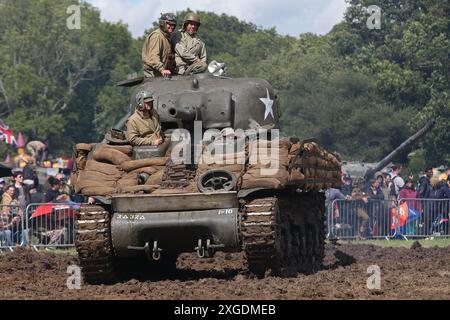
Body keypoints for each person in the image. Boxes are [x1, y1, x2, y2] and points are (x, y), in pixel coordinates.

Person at [142, 13, 177, 78]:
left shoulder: (167, 37)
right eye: (169, 24)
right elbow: (154, 56)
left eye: (173, 25)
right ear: (162, 23)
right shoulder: (157, 36)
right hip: (154, 75)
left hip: (162, 74)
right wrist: (162, 69)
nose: (172, 27)